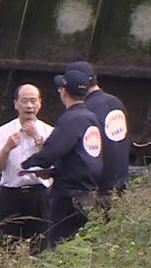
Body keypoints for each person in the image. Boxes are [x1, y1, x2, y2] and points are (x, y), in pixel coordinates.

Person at [21, 70, 103, 248]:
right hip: (88, 193)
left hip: (68, 196)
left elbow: (51, 153)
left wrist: (28, 163)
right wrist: (53, 172)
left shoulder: (71, 119)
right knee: (82, 245)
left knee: (60, 245)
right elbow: (83, 159)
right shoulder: (91, 118)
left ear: (63, 91)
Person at [0, 84, 54, 251]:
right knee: (6, 245)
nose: (29, 106)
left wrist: (37, 138)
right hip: (10, 195)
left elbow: (53, 164)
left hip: (38, 195)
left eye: (33, 101)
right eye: (24, 101)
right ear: (16, 104)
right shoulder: (4, 131)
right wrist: (7, 148)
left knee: (39, 247)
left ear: (40, 103)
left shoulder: (49, 131)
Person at [66, 61, 130, 202]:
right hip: (121, 185)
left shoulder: (86, 110)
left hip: (97, 191)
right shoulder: (116, 102)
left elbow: (81, 151)